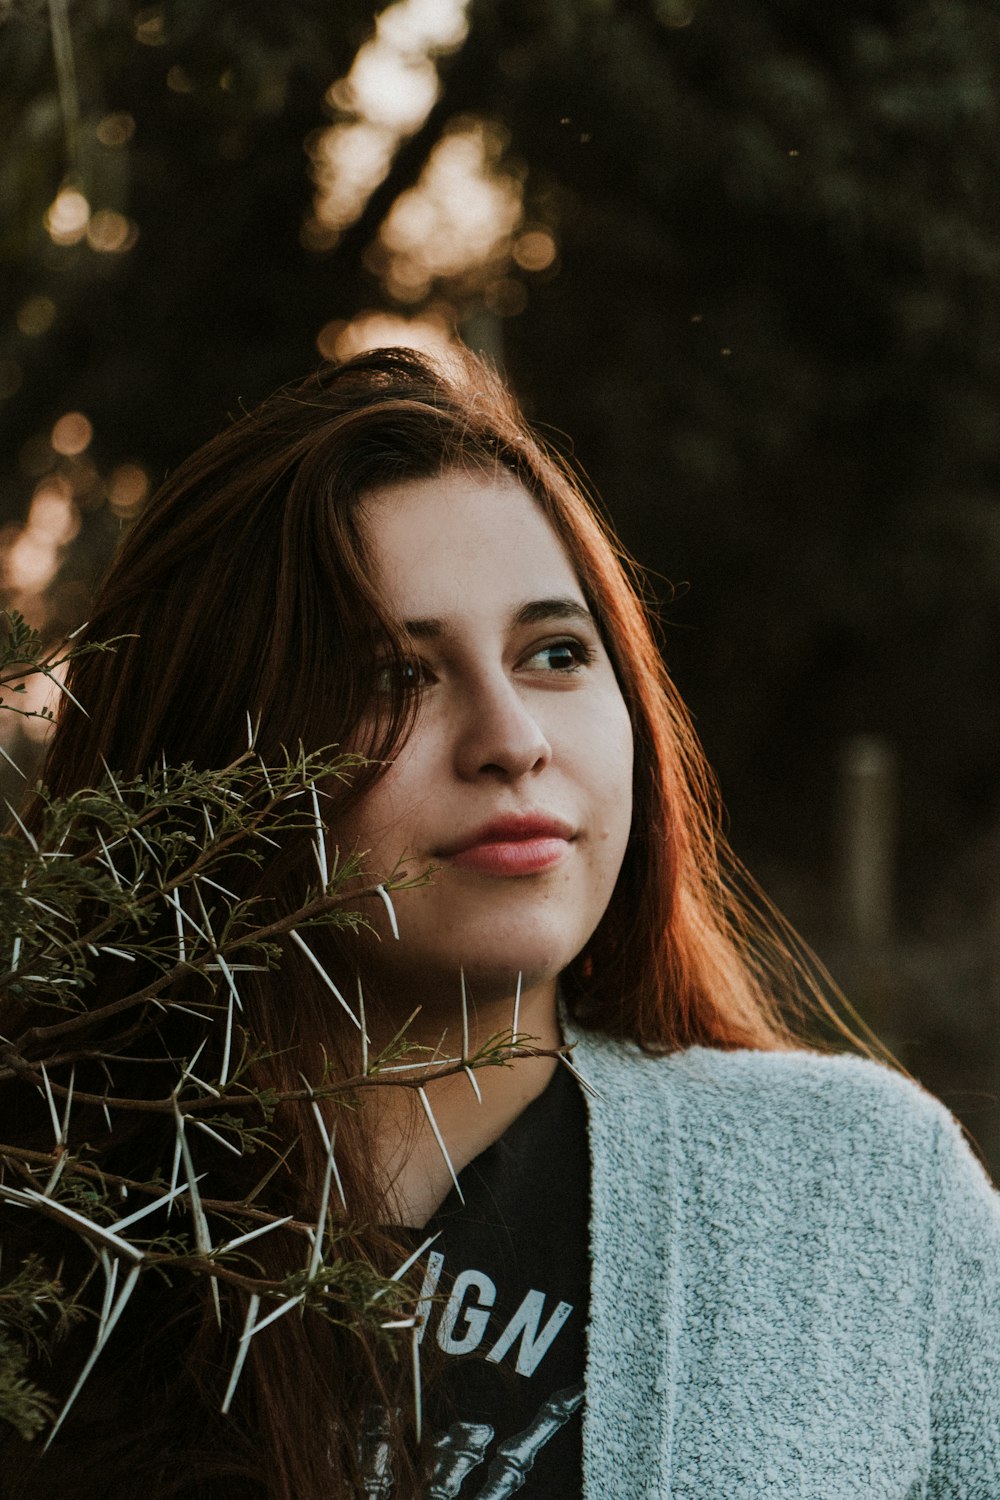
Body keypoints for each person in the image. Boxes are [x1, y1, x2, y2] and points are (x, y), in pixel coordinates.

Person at [2, 345, 998, 1499]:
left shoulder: (854, 1196)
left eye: (556, 653)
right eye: (389, 676)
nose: (510, 734)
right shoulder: (45, 1222)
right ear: (206, 763)